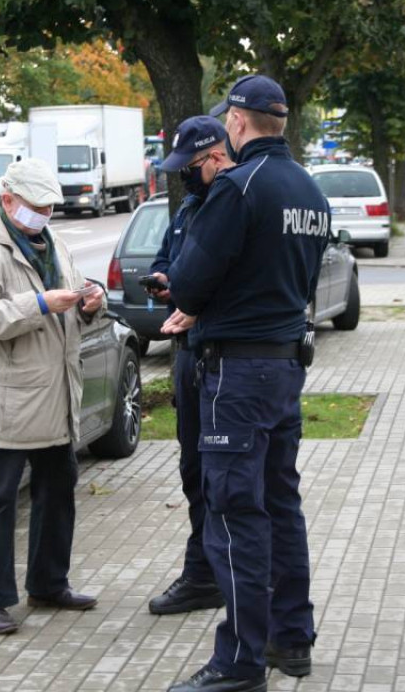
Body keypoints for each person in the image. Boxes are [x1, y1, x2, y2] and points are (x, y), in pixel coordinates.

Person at [162, 75, 329, 692]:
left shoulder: (239, 187)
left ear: (236, 121)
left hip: (237, 373)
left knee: (235, 513)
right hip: (285, 365)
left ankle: (240, 661)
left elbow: (187, 285)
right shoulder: (310, 189)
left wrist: (187, 285)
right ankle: (293, 638)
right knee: (281, 504)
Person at [0, 158, 104, 636]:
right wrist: (39, 303)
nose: (45, 214)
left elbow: (69, 310)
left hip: (55, 396)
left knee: (57, 493)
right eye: (37, 207)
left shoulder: (55, 242)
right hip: (5, 403)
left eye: (50, 207)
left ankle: (49, 583)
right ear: (8, 201)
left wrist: (88, 305)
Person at [144, 115, 233, 617]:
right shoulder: (190, 208)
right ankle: (202, 574)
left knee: (225, 478)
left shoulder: (232, 205)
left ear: (216, 155)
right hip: (189, 355)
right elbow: (169, 261)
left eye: (190, 166)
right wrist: (163, 278)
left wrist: (187, 289)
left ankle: (215, 575)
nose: (184, 176)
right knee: (193, 472)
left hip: (222, 359)